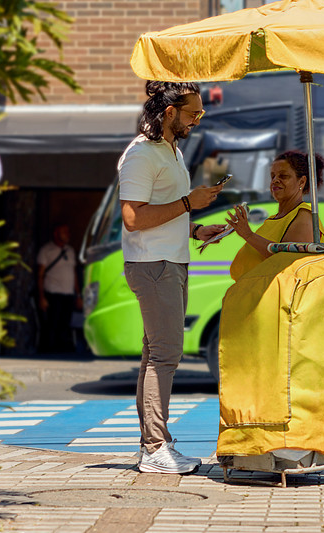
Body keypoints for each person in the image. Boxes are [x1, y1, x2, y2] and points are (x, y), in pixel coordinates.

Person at [119, 81, 226, 475]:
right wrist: (187, 202)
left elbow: (165, 215)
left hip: (171, 261)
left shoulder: (170, 151)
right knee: (165, 356)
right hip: (154, 266)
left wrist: (197, 228)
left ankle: (154, 445)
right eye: (193, 113)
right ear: (169, 113)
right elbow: (133, 219)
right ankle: (154, 449)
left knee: (156, 355)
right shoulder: (142, 155)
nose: (197, 120)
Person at [227, 150, 324, 281]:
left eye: (283, 176)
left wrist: (248, 235)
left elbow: (287, 262)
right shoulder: (274, 218)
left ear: (301, 182)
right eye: (272, 176)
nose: (275, 181)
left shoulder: (303, 216)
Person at [36, 224, 80, 353]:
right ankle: (49, 351)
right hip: (52, 292)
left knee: (65, 324)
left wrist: (78, 295)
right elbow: (40, 275)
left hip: (68, 293)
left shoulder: (70, 251)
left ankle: (63, 352)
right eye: (64, 232)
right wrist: (41, 297)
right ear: (56, 233)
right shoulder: (46, 250)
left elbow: (74, 274)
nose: (68, 234)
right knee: (52, 324)